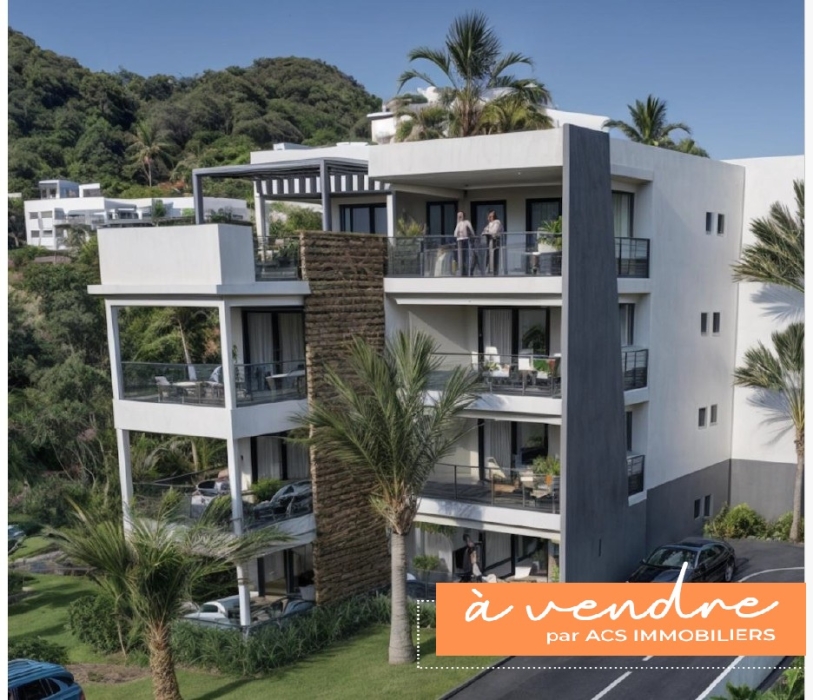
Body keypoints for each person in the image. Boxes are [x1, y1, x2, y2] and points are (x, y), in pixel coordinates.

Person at [453, 211, 474, 277]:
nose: (459, 217)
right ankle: (461, 272)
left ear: (463, 216)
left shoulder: (467, 222)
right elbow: (455, 234)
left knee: (467, 257)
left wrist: (471, 236)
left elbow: (471, 231)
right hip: (459, 241)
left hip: (466, 241)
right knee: (460, 257)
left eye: (460, 216)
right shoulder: (458, 224)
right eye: (458, 216)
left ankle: (467, 272)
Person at [483, 210, 504, 275]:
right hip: (489, 242)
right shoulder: (489, 224)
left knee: (494, 256)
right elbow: (484, 231)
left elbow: (494, 231)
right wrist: (487, 232)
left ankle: (494, 271)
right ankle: (489, 269)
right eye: (488, 217)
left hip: (495, 241)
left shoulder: (497, 222)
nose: (489, 218)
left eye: (491, 216)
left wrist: (488, 232)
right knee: (489, 256)